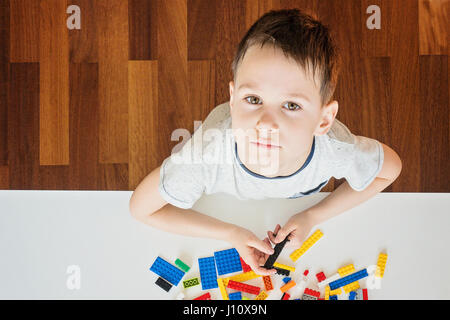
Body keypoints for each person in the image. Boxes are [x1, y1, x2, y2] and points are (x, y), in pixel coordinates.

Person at [129, 9, 402, 276]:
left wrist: (315, 215)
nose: (266, 124)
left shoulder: (336, 149)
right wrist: (229, 232)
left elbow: (390, 169)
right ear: (233, 99)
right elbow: (141, 209)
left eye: (291, 105)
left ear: (324, 120)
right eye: (254, 99)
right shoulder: (205, 156)